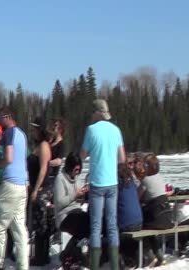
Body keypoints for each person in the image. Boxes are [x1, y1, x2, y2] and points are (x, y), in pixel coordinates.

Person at [80, 99, 126, 270]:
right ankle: (114, 266)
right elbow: (122, 158)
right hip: (112, 183)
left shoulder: (91, 130)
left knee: (96, 225)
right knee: (112, 225)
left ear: (96, 113)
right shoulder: (116, 130)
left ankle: (95, 266)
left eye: (93, 112)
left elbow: (83, 155)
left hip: (97, 183)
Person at [0, 107, 29, 270]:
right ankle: (23, 265)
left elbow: (9, 158)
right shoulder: (22, 134)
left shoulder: (9, 132)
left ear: (7, 117)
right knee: (19, 229)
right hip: (22, 185)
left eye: (1, 118)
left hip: (9, 184)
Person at [53, 152, 89, 266]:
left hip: (76, 210)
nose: (77, 173)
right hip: (64, 215)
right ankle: (70, 253)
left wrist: (84, 194)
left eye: (79, 170)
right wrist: (75, 195)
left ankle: (70, 252)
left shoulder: (77, 178)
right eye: (75, 169)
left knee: (90, 221)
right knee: (82, 225)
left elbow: (77, 198)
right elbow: (59, 202)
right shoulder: (60, 178)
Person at [27, 116, 53, 266]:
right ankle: (39, 254)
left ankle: (41, 256)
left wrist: (36, 189)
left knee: (41, 222)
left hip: (43, 188)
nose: (34, 131)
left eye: (36, 128)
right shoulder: (38, 145)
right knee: (37, 222)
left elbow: (43, 169)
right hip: (35, 186)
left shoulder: (44, 146)